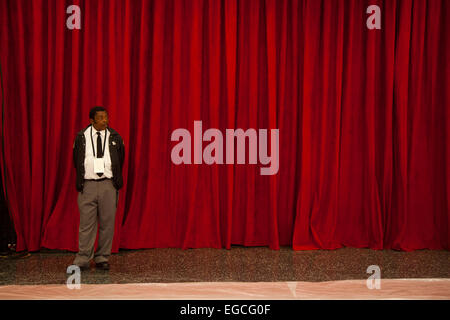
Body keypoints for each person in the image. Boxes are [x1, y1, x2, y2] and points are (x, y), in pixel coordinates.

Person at [72, 106, 125, 271]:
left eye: (106, 117)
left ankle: (102, 257)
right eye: (100, 118)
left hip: (108, 184)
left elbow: (120, 158)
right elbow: (76, 159)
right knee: (86, 224)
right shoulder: (81, 137)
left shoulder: (115, 136)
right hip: (88, 184)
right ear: (91, 120)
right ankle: (83, 258)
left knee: (107, 223)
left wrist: (114, 179)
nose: (104, 121)